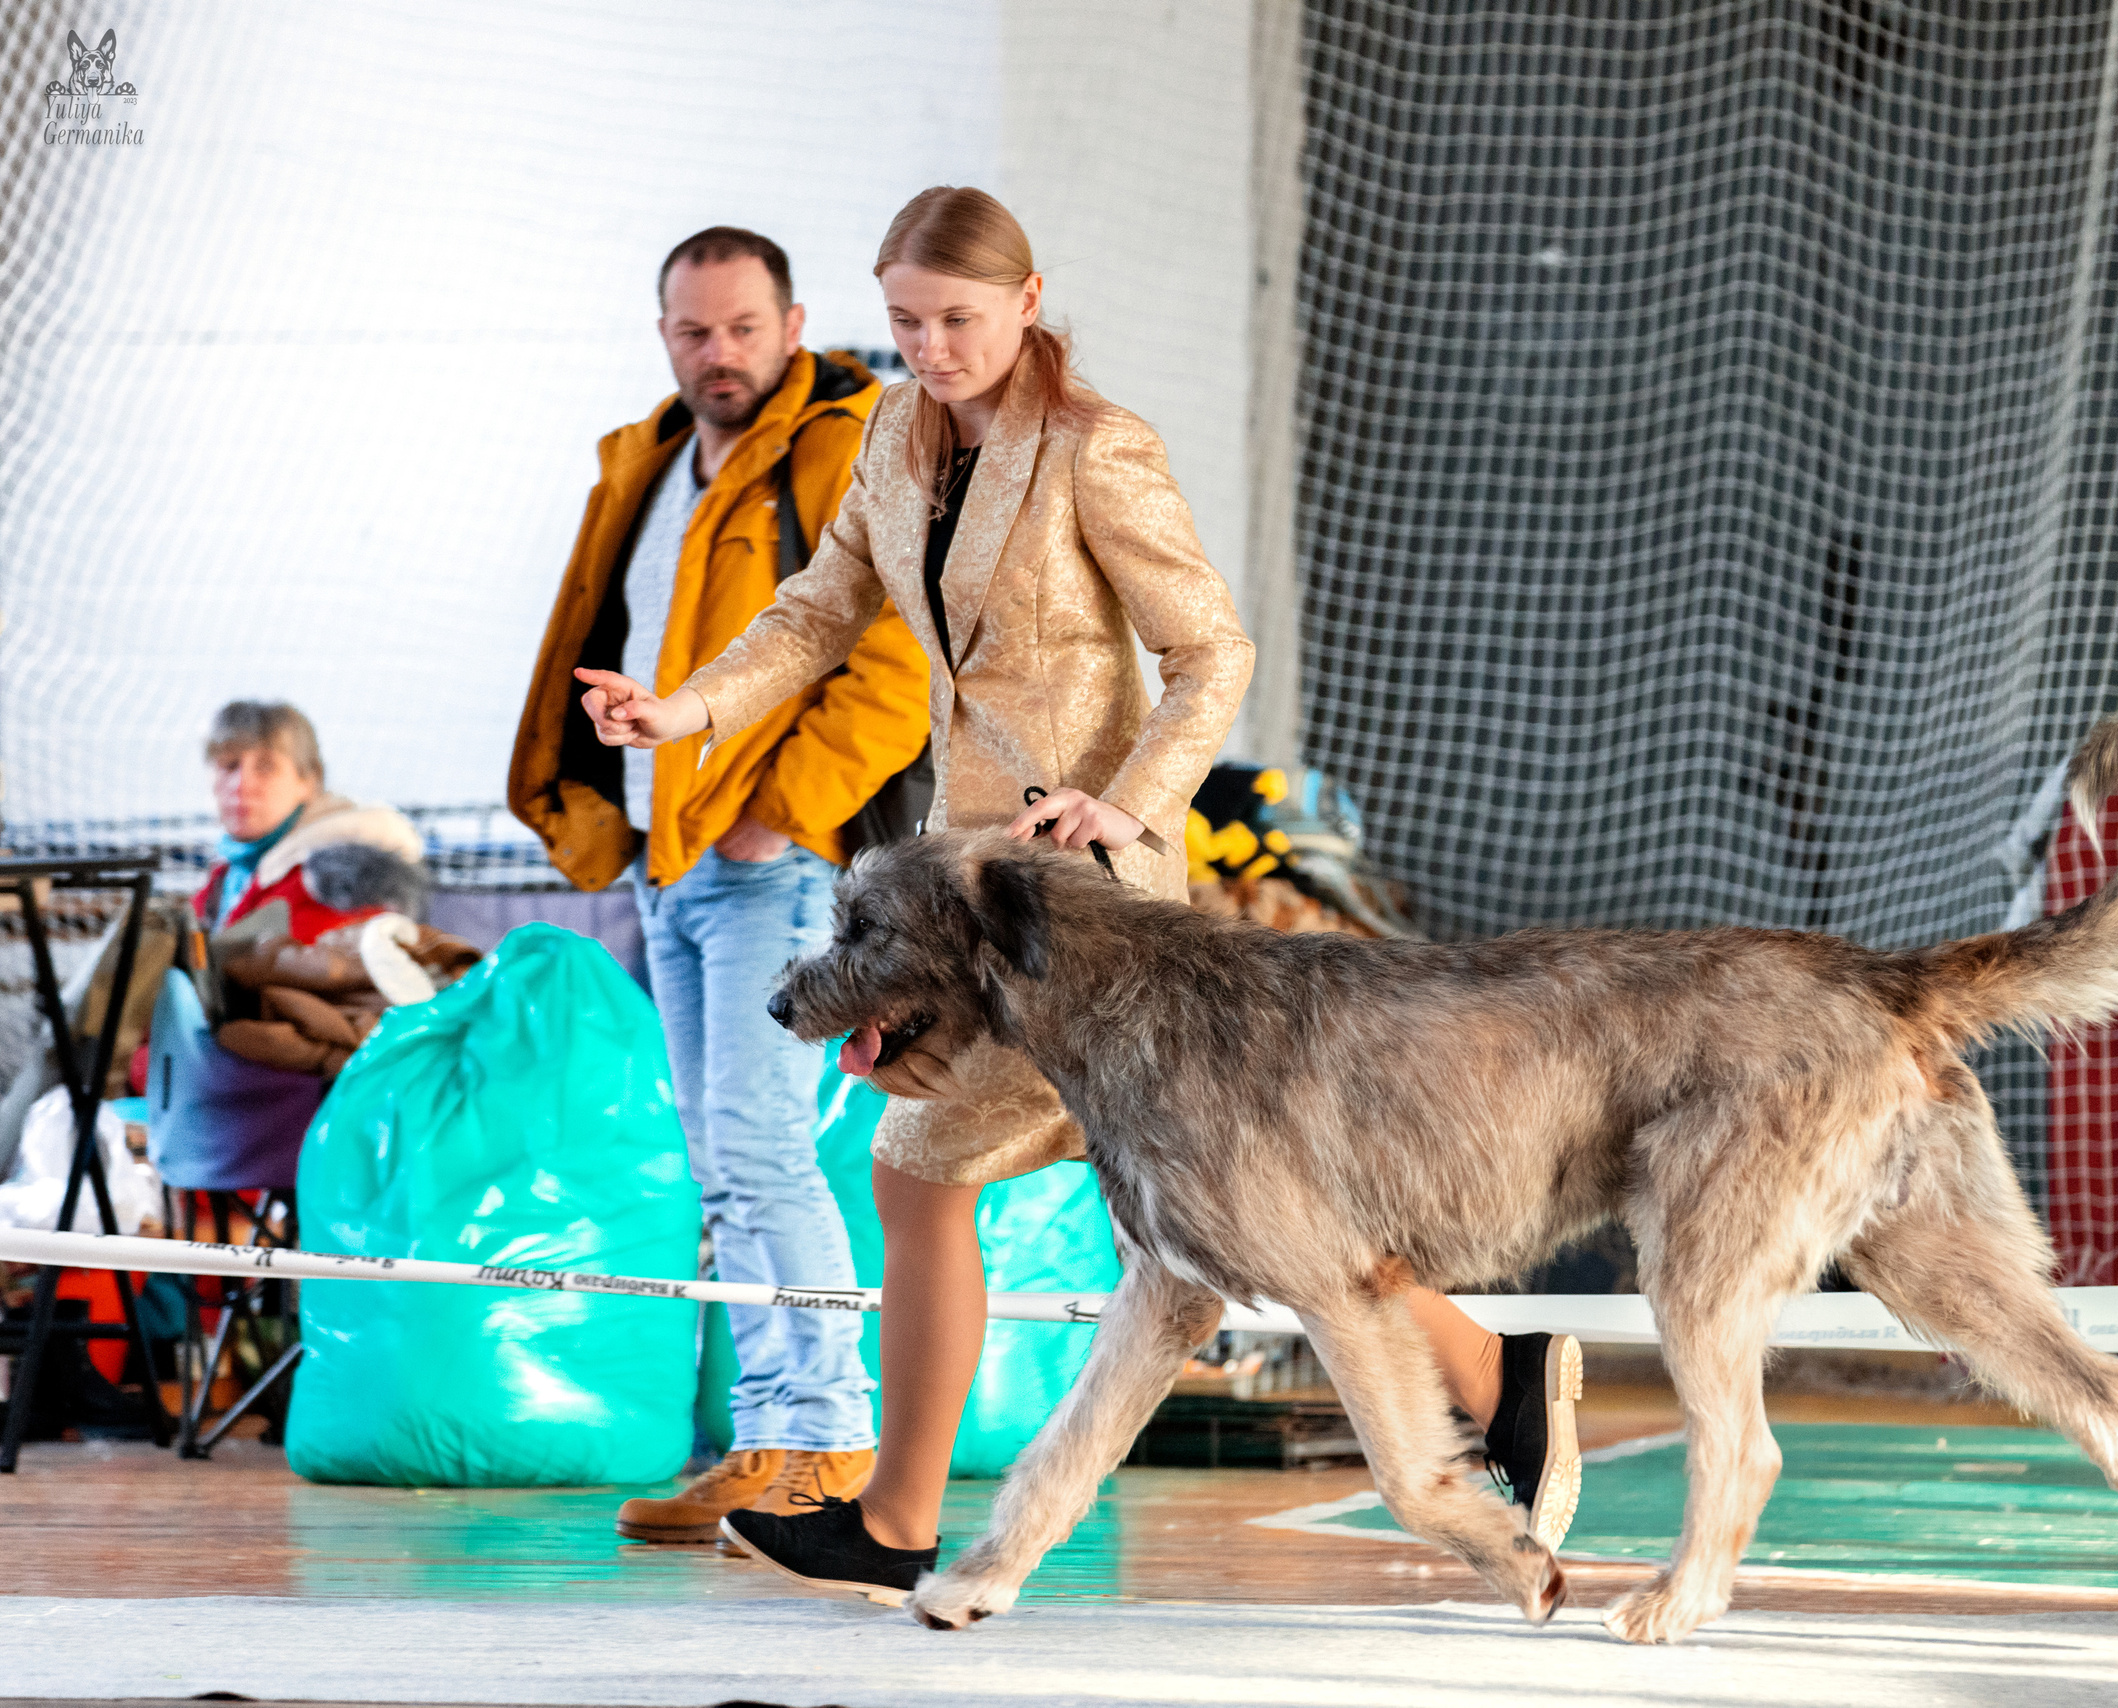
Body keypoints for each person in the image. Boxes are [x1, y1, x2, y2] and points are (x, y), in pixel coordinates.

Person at [570, 186, 1583, 1601]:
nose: (929, 347)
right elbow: (818, 611)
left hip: (1089, 910)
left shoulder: (1101, 449)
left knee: (981, 1183)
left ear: (1028, 302)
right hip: (966, 899)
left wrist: (1129, 801)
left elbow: (1211, 655)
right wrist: (681, 714)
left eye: (958, 320)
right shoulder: (891, 435)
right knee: (1176, 1215)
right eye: (907, 321)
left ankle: (902, 1519)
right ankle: (1497, 1375)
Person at [507, 226, 934, 1543]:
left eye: (745, 327)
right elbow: (601, 642)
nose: (721, 353)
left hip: (774, 866)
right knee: (722, 1167)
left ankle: (836, 1439)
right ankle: (767, 1438)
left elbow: (897, 665)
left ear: (794, 324)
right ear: (665, 337)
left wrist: (777, 812)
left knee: (762, 1150)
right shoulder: (643, 465)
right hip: (665, 860)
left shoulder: (853, 445)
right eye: (696, 331)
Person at [196, 701, 423, 940]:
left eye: (266, 767)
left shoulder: (338, 879)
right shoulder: (226, 874)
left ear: (309, 781)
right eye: (229, 766)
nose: (241, 785)